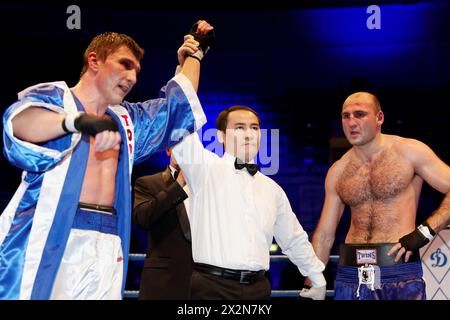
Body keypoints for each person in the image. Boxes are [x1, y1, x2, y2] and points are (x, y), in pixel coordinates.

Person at [0, 20, 214, 299]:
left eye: (136, 70)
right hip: (53, 234)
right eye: (125, 64)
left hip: (109, 239)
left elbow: (177, 107)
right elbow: (17, 125)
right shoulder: (56, 99)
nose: (133, 77)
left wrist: (193, 55)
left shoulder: (126, 120)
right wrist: (76, 122)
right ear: (94, 60)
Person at [172, 105, 327, 300]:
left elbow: (292, 237)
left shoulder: (272, 189)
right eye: (239, 127)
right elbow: (179, 129)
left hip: (259, 288)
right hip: (213, 288)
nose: (249, 134)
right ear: (221, 136)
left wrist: (316, 276)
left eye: (254, 128)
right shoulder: (204, 169)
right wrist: (185, 82)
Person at [308, 92, 450, 300]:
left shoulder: (409, 151)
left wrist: (425, 232)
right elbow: (324, 235)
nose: (351, 122)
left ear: (379, 118)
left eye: (359, 114)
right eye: (345, 116)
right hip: (350, 274)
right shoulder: (338, 171)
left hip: (398, 272)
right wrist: (313, 282)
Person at [133, 148, 192, 299]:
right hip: (163, 283)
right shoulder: (147, 183)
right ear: (168, 150)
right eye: (180, 145)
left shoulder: (206, 187)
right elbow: (143, 218)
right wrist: (178, 185)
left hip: (201, 284)